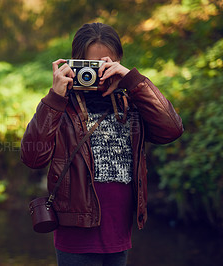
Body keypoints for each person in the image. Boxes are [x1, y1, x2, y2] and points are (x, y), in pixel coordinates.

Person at [20, 22, 184, 266]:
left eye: (103, 65)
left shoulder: (131, 102)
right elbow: (33, 158)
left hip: (119, 230)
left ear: (118, 61)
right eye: (88, 66)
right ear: (75, 63)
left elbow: (171, 129)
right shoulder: (62, 105)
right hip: (75, 234)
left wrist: (133, 81)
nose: (95, 74)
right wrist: (54, 97)